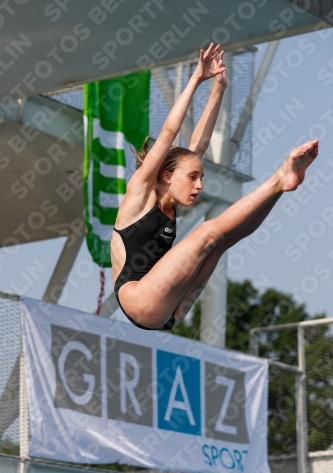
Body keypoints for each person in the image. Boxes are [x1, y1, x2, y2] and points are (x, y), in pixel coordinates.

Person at [111, 43, 319, 331]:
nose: (199, 186)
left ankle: (281, 187)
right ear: (168, 176)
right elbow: (170, 131)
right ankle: (278, 180)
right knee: (207, 232)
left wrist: (219, 88)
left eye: (201, 178)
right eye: (193, 178)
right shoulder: (140, 192)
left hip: (171, 309)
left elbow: (200, 144)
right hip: (140, 301)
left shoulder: (172, 195)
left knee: (222, 242)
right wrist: (197, 78)